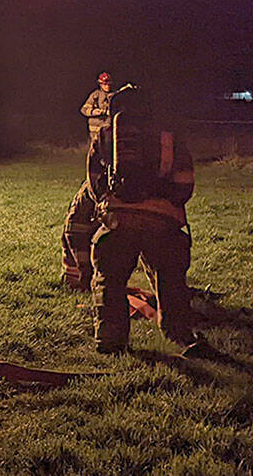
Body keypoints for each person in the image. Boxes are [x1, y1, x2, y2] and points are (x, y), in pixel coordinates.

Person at [87, 85, 202, 354]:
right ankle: (177, 332)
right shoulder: (171, 139)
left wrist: (115, 204)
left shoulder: (105, 135)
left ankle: (110, 341)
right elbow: (186, 185)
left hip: (119, 223)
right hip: (163, 224)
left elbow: (94, 185)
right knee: (171, 278)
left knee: (110, 280)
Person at [80, 72, 114, 146]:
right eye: (105, 84)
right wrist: (93, 112)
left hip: (108, 128)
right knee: (96, 149)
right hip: (96, 129)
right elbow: (84, 109)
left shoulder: (114, 96)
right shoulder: (95, 95)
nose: (107, 86)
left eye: (109, 84)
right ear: (100, 84)